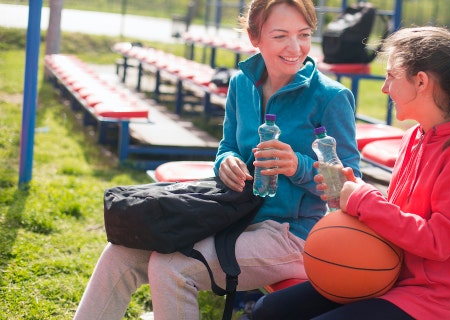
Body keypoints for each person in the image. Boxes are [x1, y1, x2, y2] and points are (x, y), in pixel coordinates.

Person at [73, 0, 361, 319]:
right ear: (256, 38)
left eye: (304, 34)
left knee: (171, 268)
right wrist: (226, 162)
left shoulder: (331, 97)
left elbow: (348, 186)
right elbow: (227, 147)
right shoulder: (241, 84)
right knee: (120, 253)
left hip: (293, 234)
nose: (295, 47)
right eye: (280, 36)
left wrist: (299, 166)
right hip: (233, 214)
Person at [252, 26, 450, 320]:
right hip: (384, 280)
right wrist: (350, 192)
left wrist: (363, 201)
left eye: (391, 76)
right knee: (267, 310)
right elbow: (400, 215)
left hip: (431, 300)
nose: (384, 88)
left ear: (421, 81)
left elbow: (437, 242)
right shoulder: (414, 136)